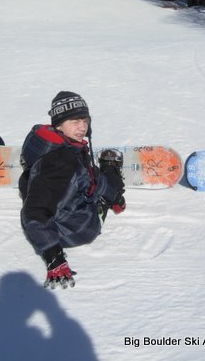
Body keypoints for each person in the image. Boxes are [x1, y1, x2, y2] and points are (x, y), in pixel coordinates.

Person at [19, 91, 126, 289]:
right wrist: (54, 255)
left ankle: (110, 189)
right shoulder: (60, 163)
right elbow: (35, 212)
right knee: (103, 184)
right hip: (74, 229)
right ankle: (111, 179)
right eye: (75, 121)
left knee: (90, 177)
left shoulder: (45, 143)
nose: (82, 127)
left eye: (85, 121)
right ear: (59, 124)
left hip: (63, 203)